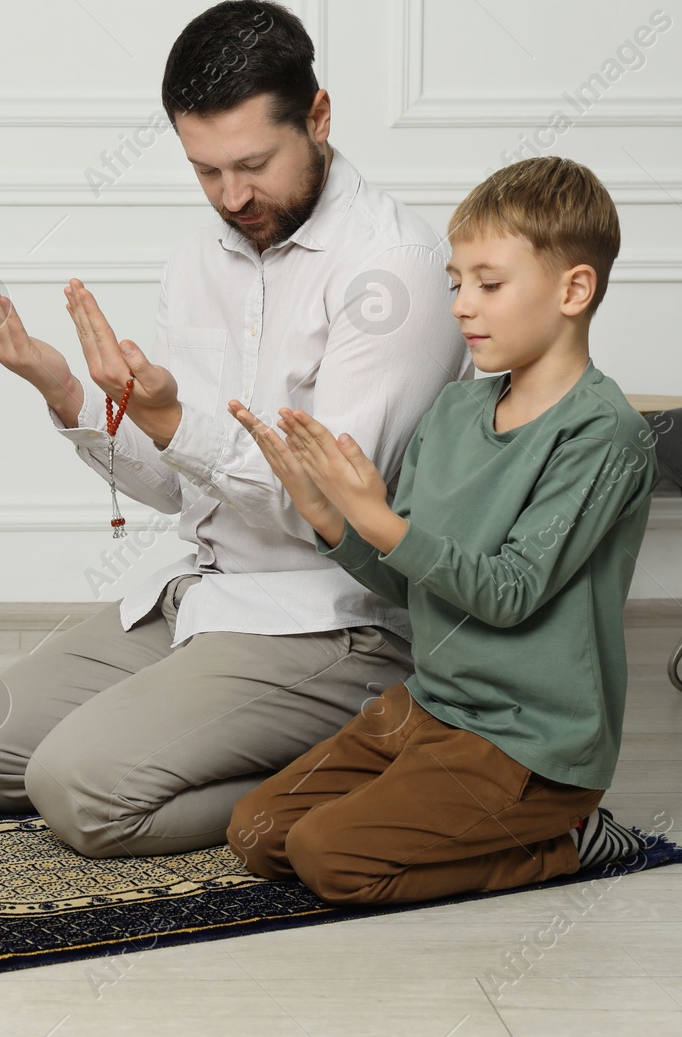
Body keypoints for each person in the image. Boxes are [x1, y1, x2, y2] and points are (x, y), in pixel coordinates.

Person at [0, 0, 472, 858]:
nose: (233, 197)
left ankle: (369, 759)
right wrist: (69, 395)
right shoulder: (199, 261)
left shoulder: (396, 272)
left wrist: (172, 416)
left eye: (254, 164)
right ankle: (240, 740)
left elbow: (327, 516)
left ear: (320, 117)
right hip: (210, 590)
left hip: (339, 622)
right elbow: (176, 483)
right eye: (206, 171)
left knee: (79, 793)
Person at [225, 155, 656, 905]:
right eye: (456, 282)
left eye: (488, 283)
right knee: (259, 833)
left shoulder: (602, 434)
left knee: (331, 860)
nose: (461, 304)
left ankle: (567, 841)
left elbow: (511, 593)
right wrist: (329, 513)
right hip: (430, 706)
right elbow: (411, 576)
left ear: (574, 289)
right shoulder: (456, 410)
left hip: (529, 746)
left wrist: (380, 518)